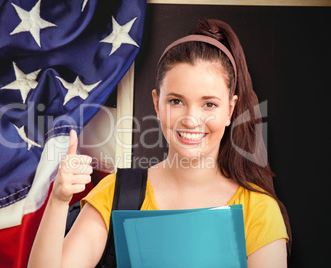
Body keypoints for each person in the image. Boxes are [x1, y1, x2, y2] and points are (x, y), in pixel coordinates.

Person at [28, 18, 291, 268]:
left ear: (230, 110)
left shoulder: (258, 210)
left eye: (209, 104)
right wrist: (59, 200)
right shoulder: (116, 194)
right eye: (176, 101)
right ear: (157, 103)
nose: (190, 120)